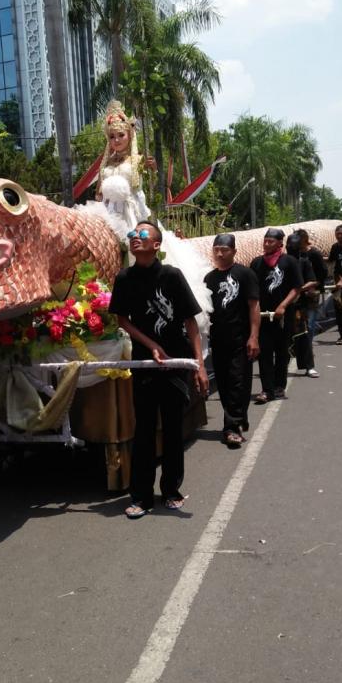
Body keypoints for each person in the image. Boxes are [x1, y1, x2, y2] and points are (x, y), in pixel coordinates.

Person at [109, 221, 208, 518]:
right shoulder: (124, 278)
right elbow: (122, 320)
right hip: (144, 363)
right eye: (132, 234)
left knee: (173, 428)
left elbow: (190, 321)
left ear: (156, 244)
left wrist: (199, 364)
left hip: (175, 362)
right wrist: (151, 344)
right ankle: (141, 496)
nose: (135, 238)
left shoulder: (171, 276)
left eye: (142, 234)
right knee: (144, 429)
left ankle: (171, 490)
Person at [84, 100, 212, 331]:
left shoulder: (139, 160)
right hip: (107, 211)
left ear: (130, 135)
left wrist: (151, 170)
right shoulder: (106, 164)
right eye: (112, 137)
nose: (116, 140)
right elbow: (100, 193)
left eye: (120, 135)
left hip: (131, 212)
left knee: (137, 246)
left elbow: (146, 189)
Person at [204, 233, 260, 448]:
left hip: (241, 338)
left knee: (238, 381)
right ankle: (238, 418)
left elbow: (254, 306)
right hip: (218, 339)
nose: (219, 253)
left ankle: (231, 427)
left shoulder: (245, 274)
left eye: (224, 249)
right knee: (224, 383)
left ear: (234, 251)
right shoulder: (209, 278)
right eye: (216, 249)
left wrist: (253, 336)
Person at [250, 228, 303, 403]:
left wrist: (283, 305)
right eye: (265, 241)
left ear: (280, 243)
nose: (266, 244)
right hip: (263, 316)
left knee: (281, 352)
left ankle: (279, 386)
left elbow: (297, 287)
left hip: (283, 316)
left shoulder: (289, 262)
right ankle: (267, 390)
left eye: (270, 241)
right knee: (264, 353)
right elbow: (252, 290)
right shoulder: (257, 263)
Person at [286, 233, 319, 377]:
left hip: (299, 305)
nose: (292, 248)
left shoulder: (304, 262)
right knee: (283, 337)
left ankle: (309, 366)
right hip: (283, 305)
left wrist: (298, 290)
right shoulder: (281, 262)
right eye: (289, 245)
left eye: (294, 246)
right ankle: (282, 366)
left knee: (303, 335)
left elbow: (313, 281)